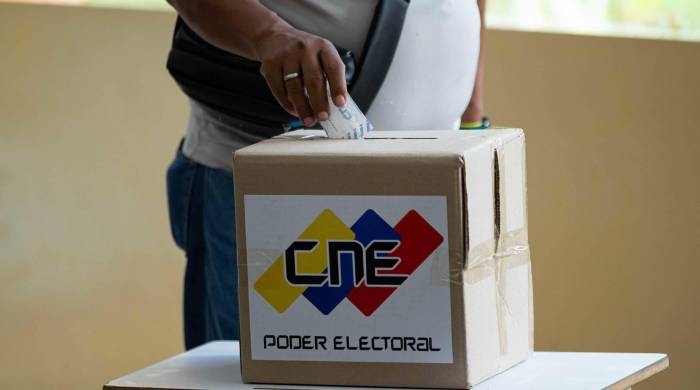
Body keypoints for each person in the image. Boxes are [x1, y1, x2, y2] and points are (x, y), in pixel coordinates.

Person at [165, 0, 488, 350]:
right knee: (261, 365)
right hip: (266, 188)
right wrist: (267, 33)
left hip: (419, 186)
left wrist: (471, 110)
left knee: (389, 364)